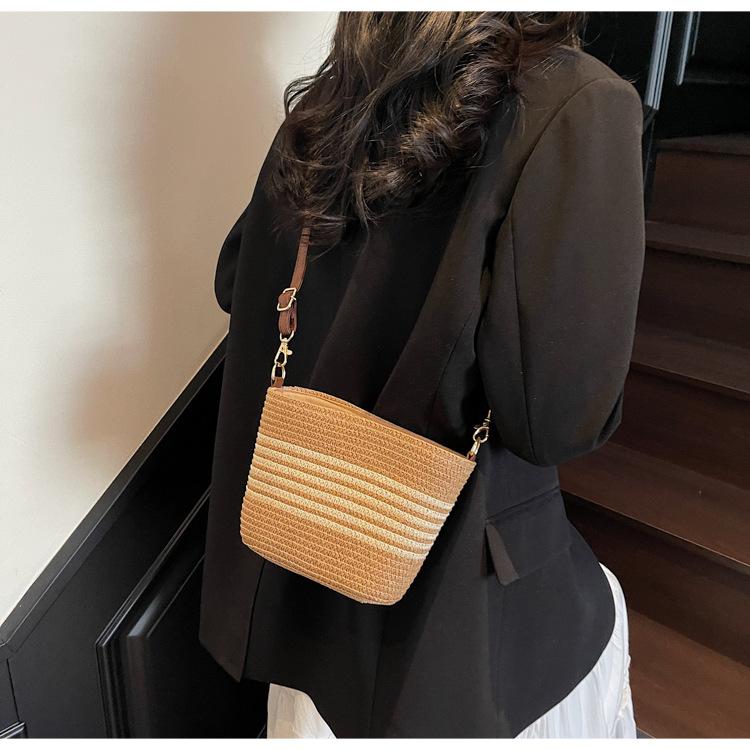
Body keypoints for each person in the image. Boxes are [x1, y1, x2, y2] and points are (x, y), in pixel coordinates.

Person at [198, 11, 645, 738]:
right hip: (451, 637)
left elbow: (235, 280)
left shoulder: (329, 102)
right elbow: (557, 420)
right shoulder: (577, 102)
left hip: (301, 607)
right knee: (601, 609)